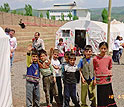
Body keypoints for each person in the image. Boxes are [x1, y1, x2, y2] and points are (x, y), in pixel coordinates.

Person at [93, 42, 117, 107]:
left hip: (107, 78)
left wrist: (109, 73)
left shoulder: (109, 58)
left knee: (109, 93)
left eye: (105, 48)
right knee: (101, 94)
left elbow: (110, 67)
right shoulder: (95, 58)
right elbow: (94, 69)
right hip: (99, 79)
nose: (103, 50)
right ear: (99, 48)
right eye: (102, 48)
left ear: (107, 49)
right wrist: (94, 79)